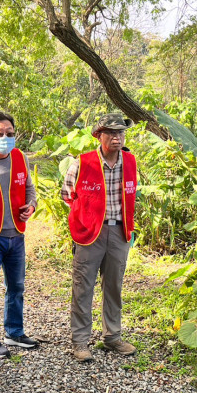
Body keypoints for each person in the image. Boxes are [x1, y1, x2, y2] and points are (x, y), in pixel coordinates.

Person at [61, 113, 138, 361]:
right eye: (111, 133)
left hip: (120, 232)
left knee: (114, 286)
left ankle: (112, 337)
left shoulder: (130, 162)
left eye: (121, 133)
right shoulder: (82, 163)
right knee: (83, 288)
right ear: (99, 135)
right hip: (89, 234)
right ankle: (80, 343)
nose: (117, 138)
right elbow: (67, 195)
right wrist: (86, 219)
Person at [0, 111, 38, 359]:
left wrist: (31, 205)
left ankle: (14, 331)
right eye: (0, 134)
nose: (5, 138)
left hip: (17, 236)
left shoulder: (20, 157)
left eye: (10, 134)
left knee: (17, 287)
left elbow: (29, 188)